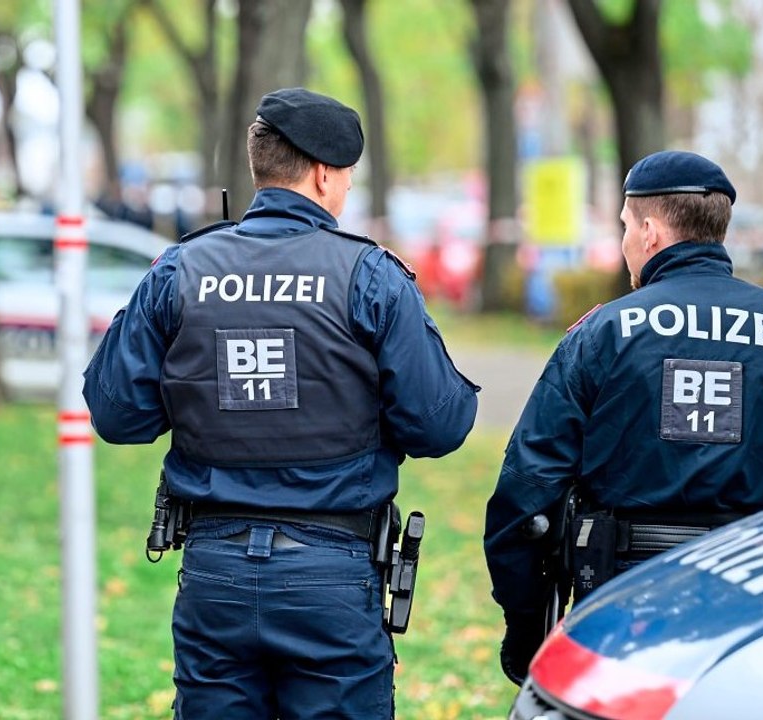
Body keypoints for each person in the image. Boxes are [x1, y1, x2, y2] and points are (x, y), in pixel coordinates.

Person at [84, 87, 479, 718]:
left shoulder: (180, 269)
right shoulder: (369, 276)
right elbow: (439, 424)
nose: (346, 189)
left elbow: (116, 413)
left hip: (214, 572)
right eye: (347, 177)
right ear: (324, 174)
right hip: (332, 572)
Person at [483, 150, 763, 686]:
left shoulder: (605, 333)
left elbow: (526, 495)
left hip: (623, 615)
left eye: (623, 227)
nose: (623, 244)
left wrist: (527, 630)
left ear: (649, 232)